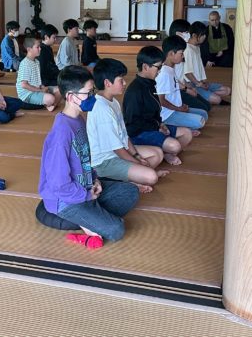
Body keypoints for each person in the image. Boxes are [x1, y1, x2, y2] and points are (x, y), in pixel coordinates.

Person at [34, 65, 140, 249]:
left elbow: (84, 159)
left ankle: (91, 217)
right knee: (116, 230)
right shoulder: (61, 134)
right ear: (71, 97)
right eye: (88, 93)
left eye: (93, 92)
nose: (93, 97)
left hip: (85, 186)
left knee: (131, 191)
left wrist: (94, 180)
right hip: (66, 199)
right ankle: (88, 220)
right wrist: (86, 195)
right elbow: (59, 184)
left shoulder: (78, 119)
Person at [87, 58, 167, 193]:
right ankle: (119, 180)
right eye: (121, 80)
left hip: (119, 151)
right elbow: (117, 149)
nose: (124, 83)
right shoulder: (101, 108)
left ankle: (134, 176)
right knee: (152, 177)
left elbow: (124, 135)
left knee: (158, 154)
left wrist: (136, 156)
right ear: (107, 83)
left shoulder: (113, 102)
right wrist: (138, 162)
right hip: (105, 162)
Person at [123, 46, 192, 166]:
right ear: (145, 67)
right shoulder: (135, 91)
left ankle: (166, 153)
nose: (160, 71)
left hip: (154, 126)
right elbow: (132, 123)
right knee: (175, 146)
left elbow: (155, 111)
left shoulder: (150, 83)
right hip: (139, 133)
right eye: (158, 67)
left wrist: (161, 124)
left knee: (187, 134)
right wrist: (157, 127)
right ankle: (161, 151)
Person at [157, 36, 208, 131]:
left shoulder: (170, 69)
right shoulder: (164, 73)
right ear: (171, 53)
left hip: (176, 109)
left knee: (203, 114)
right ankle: (169, 127)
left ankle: (182, 127)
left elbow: (177, 85)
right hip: (167, 114)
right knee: (199, 121)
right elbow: (161, 101)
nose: (183, 56)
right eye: (181, 53)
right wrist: (179, 108)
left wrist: (182, 104)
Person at [183, 21, 232, 105]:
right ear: (194, 35)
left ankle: (203, 95)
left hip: (201, 83)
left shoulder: (197, 47)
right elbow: (187, 73)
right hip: (193, 84)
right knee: (217, 99)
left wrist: (204, 82)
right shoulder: (187, 49)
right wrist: (199, 84)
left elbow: (199, 68)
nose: (205, 37)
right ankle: (198, 94)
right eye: (202, 35)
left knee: (227, 90)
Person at [168, 19, 211, 112]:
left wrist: (189, 86)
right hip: (175, 91)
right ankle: (178, 107)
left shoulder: (182, 50)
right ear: (178, 34)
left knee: (207, 106)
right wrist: (187, 89)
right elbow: (172, 80)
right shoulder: (173, 55)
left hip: (183, 87)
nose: (189, 34)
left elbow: (181, 76)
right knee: (204, 108)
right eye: (187, 32)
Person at [16, 36, 61, 112]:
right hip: (27, 94)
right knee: (51, 98)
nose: (40, 49)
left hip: (37, 89)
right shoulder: (25, 63)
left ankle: (50, 105)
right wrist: (40, 90)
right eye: (37, 47)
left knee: (60, 89)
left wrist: (42, 87)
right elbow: (24, 85)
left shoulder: (36, 62)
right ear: (29, 49)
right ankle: (50, 103)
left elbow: (37, 80)